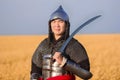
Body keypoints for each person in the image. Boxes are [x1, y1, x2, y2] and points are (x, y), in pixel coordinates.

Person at [30, 5, 91, 80]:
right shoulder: (44, 44)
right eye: (54, 21)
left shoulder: (73, 45)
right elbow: (35, 70)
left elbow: (86, 74)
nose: (57, 25)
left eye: (60, 21)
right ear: (50, 24)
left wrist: (64, 62)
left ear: (66, 25)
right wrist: (35, 77)